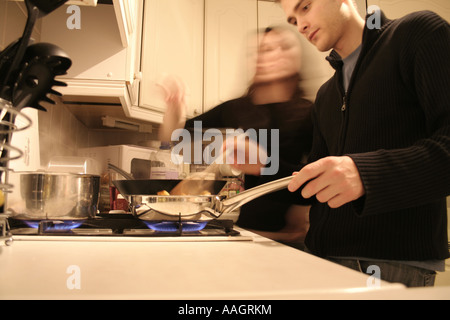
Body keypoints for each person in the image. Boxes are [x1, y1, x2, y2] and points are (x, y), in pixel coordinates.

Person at [266, 0, 450, 287]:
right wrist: (263, 164)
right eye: (292, 19)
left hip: (389, 266)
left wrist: (365, 174)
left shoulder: (417, 33)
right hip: (320, 260)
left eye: (305, 7)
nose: (300, 25)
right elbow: (313, 188)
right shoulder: (326, 95)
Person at [159, 26, 313, 248]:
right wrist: (175, 106)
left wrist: (265, 164)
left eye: (282, 47)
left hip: (296, 241)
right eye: (263, 49)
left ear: (297, 58)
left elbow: (316, 182)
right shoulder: (241, 109)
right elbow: (176, 138)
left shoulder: (311, 113)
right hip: (249, 235)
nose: (271, 54)